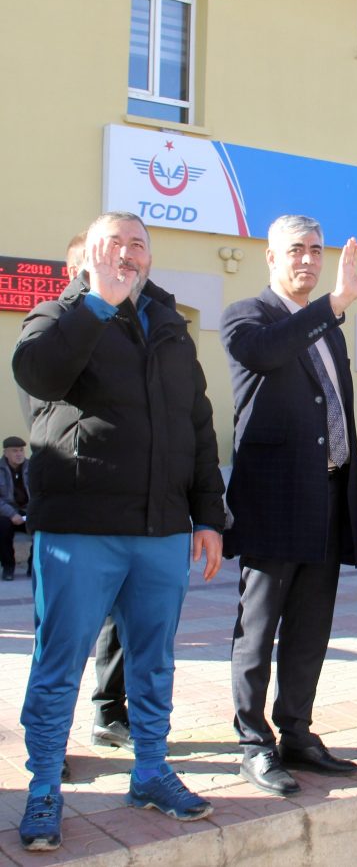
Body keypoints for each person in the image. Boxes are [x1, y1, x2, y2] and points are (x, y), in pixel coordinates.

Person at [13, 212, 224, 851]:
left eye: (138, 244)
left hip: (161, 529)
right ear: (88, 256)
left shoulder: (171, 327)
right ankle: (45, 786)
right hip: (81, 529)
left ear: (150, 257)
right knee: (60, 663)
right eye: (114, 244)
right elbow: (37, 374)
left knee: (154, 662)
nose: (127, 254)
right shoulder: (59, 314)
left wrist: (209, 516)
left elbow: (198, 426)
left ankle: (151, 771)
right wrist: (96, 304)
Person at [220, 217, 357, 795]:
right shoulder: (246, 315)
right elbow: (265, 354)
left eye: (315, 250)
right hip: (274, 500)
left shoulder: (328, 328)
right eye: (295, 251)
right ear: (271, 257)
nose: (307, 260)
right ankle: (253, 744)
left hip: (328, 494)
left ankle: (297, 732)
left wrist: (330, 311)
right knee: (258, 629)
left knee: (311, 626)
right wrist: (332, 304)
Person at [61, 230, 133, 753]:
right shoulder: (49, 327)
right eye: (93, 265)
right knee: (62, 637)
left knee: (120, 625)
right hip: (71, 514)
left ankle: (110, 711)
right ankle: (51, 744)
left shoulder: (129, 331)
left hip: (128, 512)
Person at [0, 436, 29, 581]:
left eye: (21, 450)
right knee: (2, 527)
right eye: (14, 451)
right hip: (6, 513)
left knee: (42, 526)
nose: (19, 454)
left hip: (28, 511)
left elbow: (39, 493)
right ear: (6, 453)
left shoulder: (32, 468)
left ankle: (33, 567)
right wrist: (12, 514)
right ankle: (8, 567)